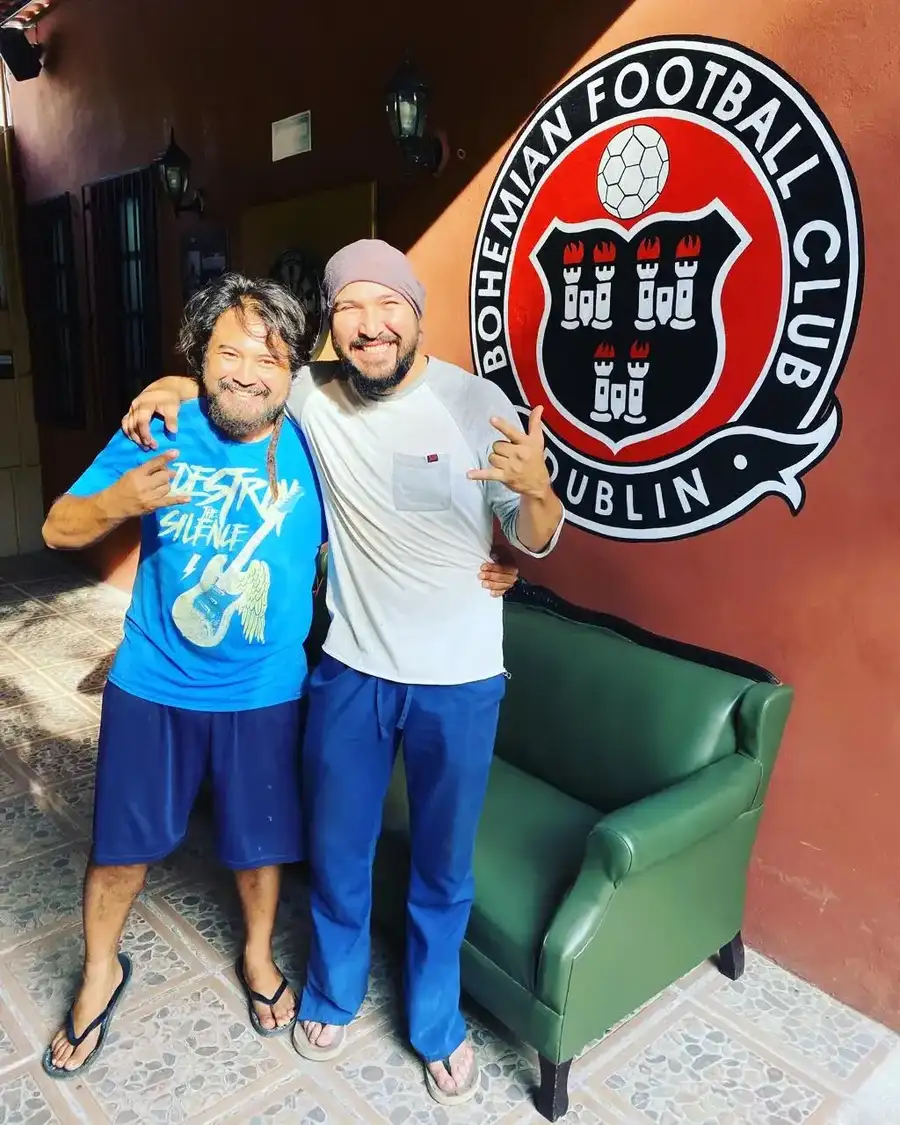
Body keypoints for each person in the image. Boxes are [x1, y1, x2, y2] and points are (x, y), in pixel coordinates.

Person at [42, 272, 520, 1080]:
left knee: (258, 845)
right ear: (198, 358)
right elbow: (57, 526)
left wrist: (500, 562)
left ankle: (261, 960)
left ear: (294, 368)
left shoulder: (316, 436)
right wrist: (122, 496)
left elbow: (415, 519)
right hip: (153, 681)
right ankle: (99, 972)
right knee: (121, 849)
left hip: (268, 688)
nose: (248, 371)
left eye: (268, 356)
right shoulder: (161, 424)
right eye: (228, 351)